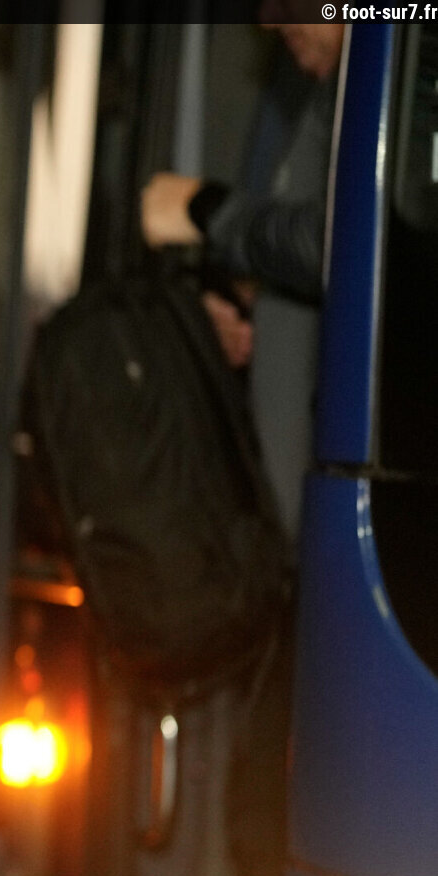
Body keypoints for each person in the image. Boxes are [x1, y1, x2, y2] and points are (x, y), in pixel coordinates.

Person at [140, 19, 342, 538]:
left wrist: (207, 210)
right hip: (309, 507)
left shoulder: (393, 72)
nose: (270, 18)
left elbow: (342, 242)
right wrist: (241, 301)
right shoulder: (330, 91)